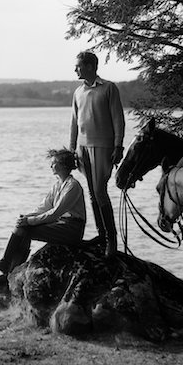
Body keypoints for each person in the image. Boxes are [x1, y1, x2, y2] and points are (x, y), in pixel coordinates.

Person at [0, 148, 86, 284]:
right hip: (61, 224)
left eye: (54, 163)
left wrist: (30, 221)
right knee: (23, 227)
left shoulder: (73, 186)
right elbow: (44, 207)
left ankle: (7, 269)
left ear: (63, 165)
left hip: (71, 229)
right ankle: (6, 266)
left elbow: (55, 213)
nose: (51, 166)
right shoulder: (57, 185)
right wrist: (26, 218)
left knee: (27, 229)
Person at [69, 51, 125, 257]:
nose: (75, 69)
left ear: (90, 67)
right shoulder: (77, 92)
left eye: (78, 66)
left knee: (100, 191)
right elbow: (74, 122)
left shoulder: (108, 88)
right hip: (82, 147)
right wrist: (72, 149)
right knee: (92, 193)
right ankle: (102, 235)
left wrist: (118, 146)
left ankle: (111, 239)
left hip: (102, 146)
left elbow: (118, 119)